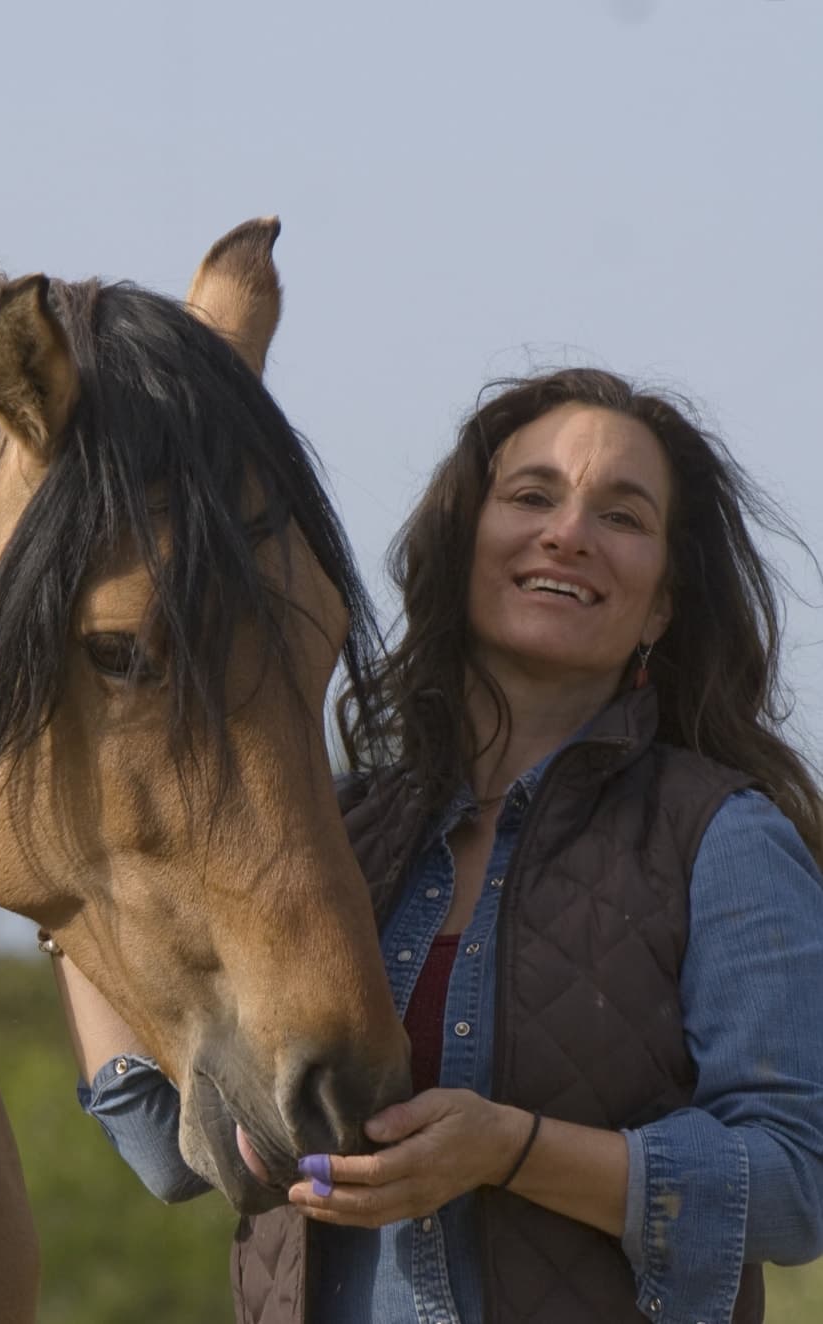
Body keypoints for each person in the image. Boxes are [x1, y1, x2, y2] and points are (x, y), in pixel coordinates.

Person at [53, 367, 823, 1324]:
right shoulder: (327, 832)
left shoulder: (726, 839)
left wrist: (510, 1149)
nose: (569, 533)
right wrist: (66, 893)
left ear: (661, 606)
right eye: (532, 496)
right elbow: (170, 1153)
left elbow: (797, 1185)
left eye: (622, 517)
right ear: (463, 543)